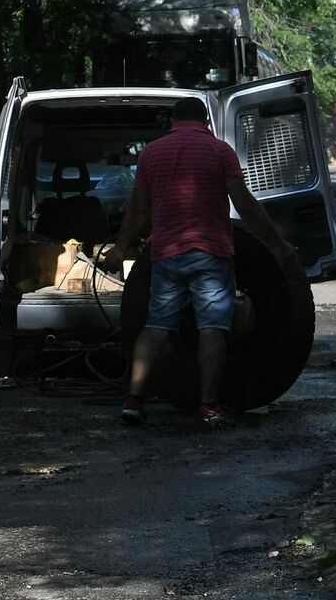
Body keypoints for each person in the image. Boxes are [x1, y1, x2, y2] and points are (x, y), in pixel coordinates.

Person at [109, 98, 288, 427]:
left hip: (166, 254)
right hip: (210, 253)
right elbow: (244, 204)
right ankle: (208, 405)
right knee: (211, 329)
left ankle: (133, 399)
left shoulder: (151, 153)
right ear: (205, 120)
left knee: (156, 328)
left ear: (172, 121)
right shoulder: (220, 151)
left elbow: (137, 209)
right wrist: (275, 244)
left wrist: (119, 251)